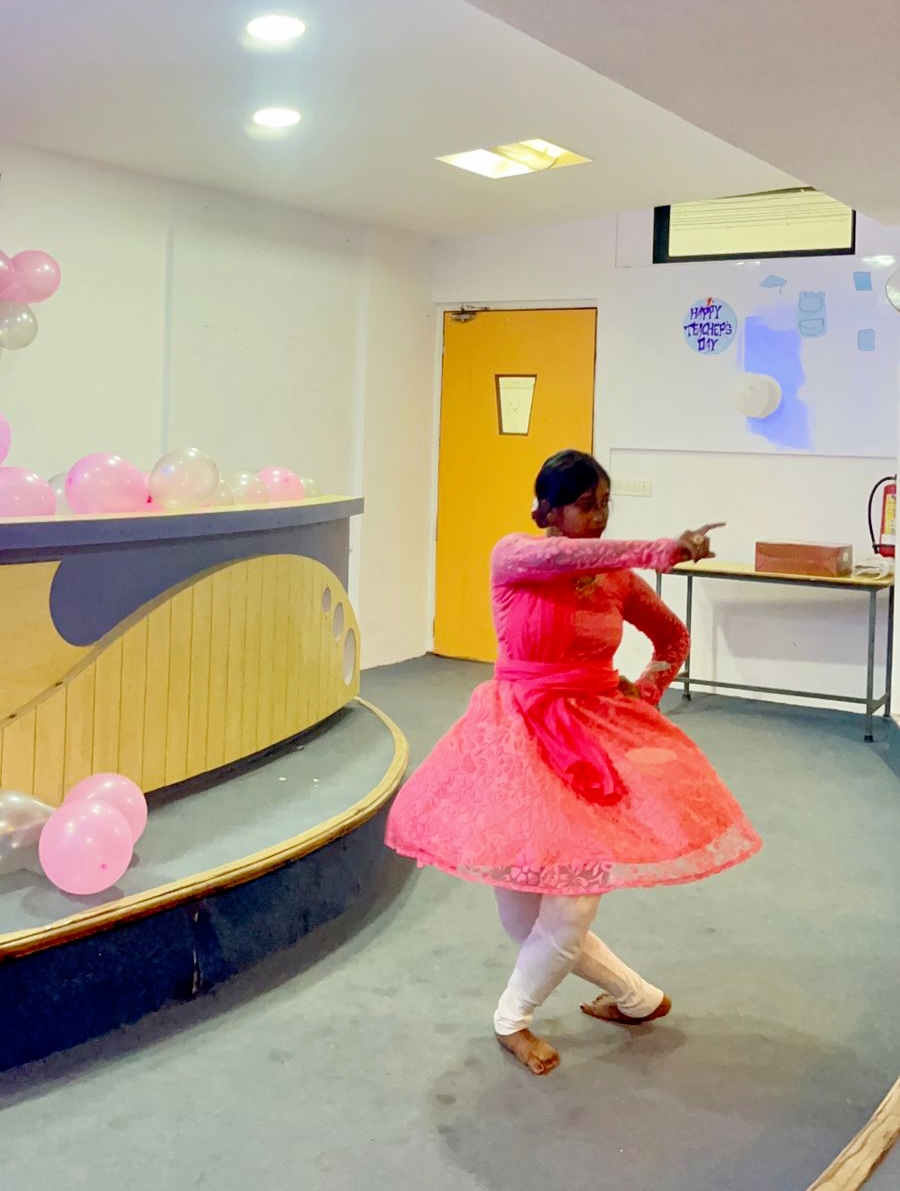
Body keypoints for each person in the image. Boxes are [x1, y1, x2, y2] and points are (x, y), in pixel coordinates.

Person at [386, 449, 761, 1075]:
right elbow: (566, 560)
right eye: (586, 505)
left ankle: (510, 1020)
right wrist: (664, 549)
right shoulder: (515, 556)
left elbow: (673, 638)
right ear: (548, 510)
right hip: (516, 740)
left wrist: (644, 692)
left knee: (570, 906)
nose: (599, 516)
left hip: (592, 742)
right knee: (523, 917)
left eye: (605, 504)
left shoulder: (617, 578)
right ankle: (638, 998)